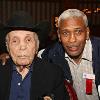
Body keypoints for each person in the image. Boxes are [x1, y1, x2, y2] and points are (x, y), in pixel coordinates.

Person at [0, 11, 69, 100]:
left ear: (36, 46)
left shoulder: (54, 74)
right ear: (8, 47)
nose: (22, 46)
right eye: (15, 41)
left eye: (28, 40)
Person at [38, 9, 100, 100]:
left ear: (87, 32)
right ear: (59, 35)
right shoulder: (50, 56)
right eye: (65, 33)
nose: (72, 40)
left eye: (78, 32)